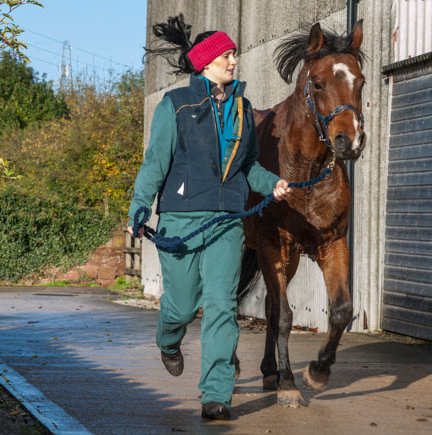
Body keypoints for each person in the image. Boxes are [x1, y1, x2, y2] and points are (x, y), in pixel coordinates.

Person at [127, 14, 291, 420]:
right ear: (205, 62)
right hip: (181, 222)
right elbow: (154, 164)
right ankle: (168, 340)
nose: (234, 60)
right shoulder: (176, 105)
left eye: (234, 54)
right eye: (226, 55)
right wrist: (139, 207)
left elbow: (248, 165)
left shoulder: (241, 107)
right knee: (181, 307)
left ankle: (216, 395)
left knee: (221, 305)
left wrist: (272, 183)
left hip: (226, 223)